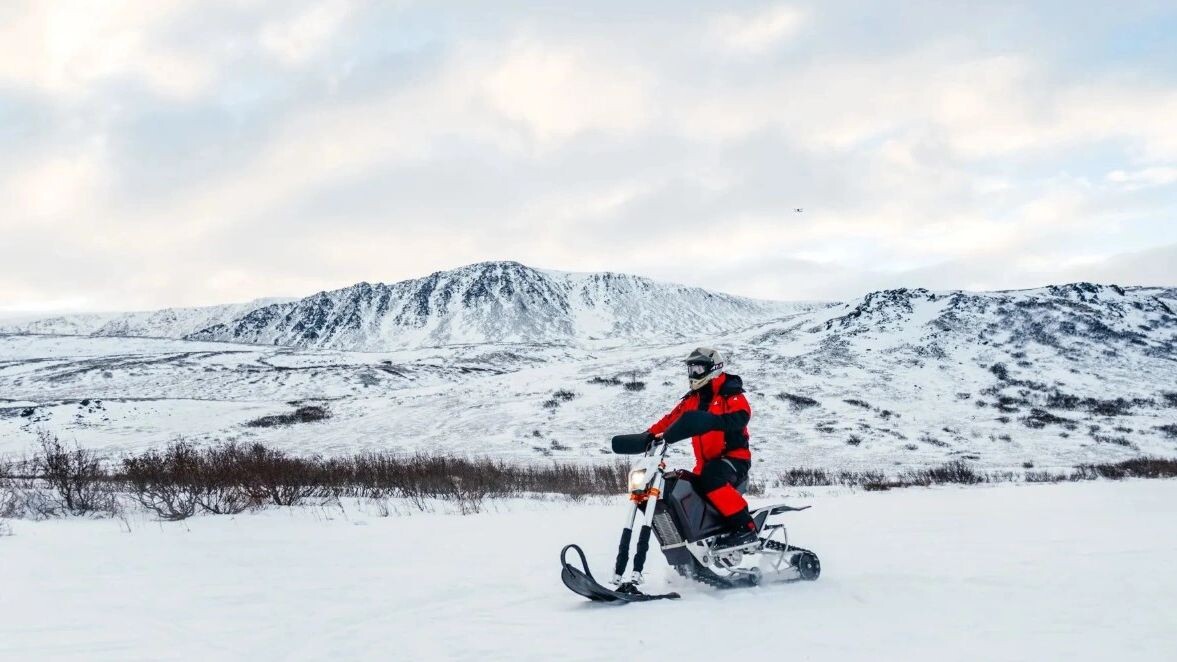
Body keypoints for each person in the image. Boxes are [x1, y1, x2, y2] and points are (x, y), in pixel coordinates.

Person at [646, 347, 758, 548]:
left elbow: (742, 415)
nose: (693, 374)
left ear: (713, 368)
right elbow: (670, 420)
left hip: (734, 459)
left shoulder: (730, 392)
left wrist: (712, 421)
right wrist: (647, 435)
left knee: (711, 477)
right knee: (681, 485)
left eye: (698, 369)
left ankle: (746, 528)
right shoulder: (692, 399)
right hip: (705, 465)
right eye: (691, 370)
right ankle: (698, 537)